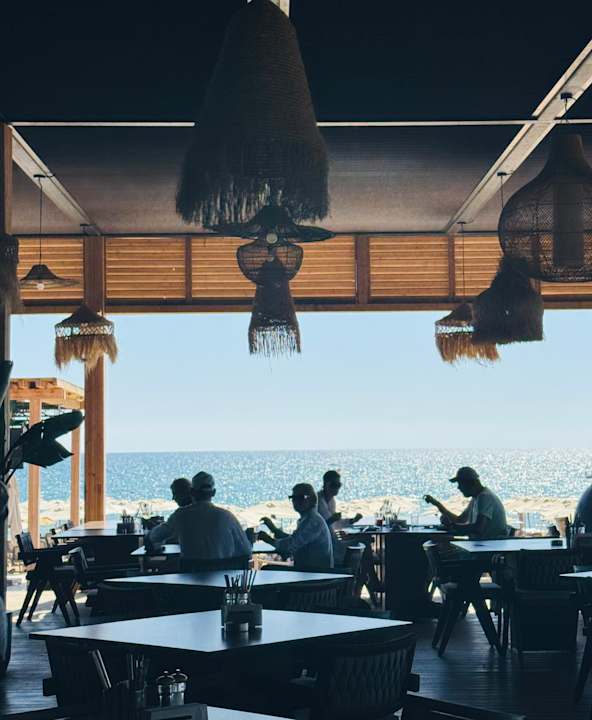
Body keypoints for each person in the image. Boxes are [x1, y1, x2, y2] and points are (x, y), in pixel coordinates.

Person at [148, 471, 252, 564]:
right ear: (214, 493)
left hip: (190, 576)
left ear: (192, 492)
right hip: (221, 577)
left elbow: (154, 537)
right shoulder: (227, 517)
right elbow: (246, 551)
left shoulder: (180, 515)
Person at [258, 483, 334, 570]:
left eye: (301, 498)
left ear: (312, 500)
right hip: (311, 571)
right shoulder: (309, 519)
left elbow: (290, 545)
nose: (296, 501)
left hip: (315, 574)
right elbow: (296, 540)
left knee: (267, 569)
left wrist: (268, 539)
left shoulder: (312, 521)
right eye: (293, 498)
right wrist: (274, 530)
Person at [424, 466, 509, 539]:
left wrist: (452, 526)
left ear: (471, 483)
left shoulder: (485, 497)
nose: (458, 487)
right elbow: (460, 520)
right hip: (482, 546)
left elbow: (478, 529)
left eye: (460, 483)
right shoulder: (477, 497)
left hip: (487, 549)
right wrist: (437, 504)